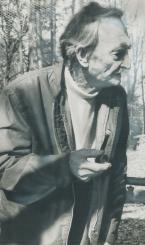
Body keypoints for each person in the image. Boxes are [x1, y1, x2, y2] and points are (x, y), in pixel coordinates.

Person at [0, 2, 130, 244]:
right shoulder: (21, 94)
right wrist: (64, 167)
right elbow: (5, 170)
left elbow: (117, 179)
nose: (127, 63)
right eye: (118, 53)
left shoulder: (117, 98)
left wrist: (108, 237)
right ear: (82, 55)